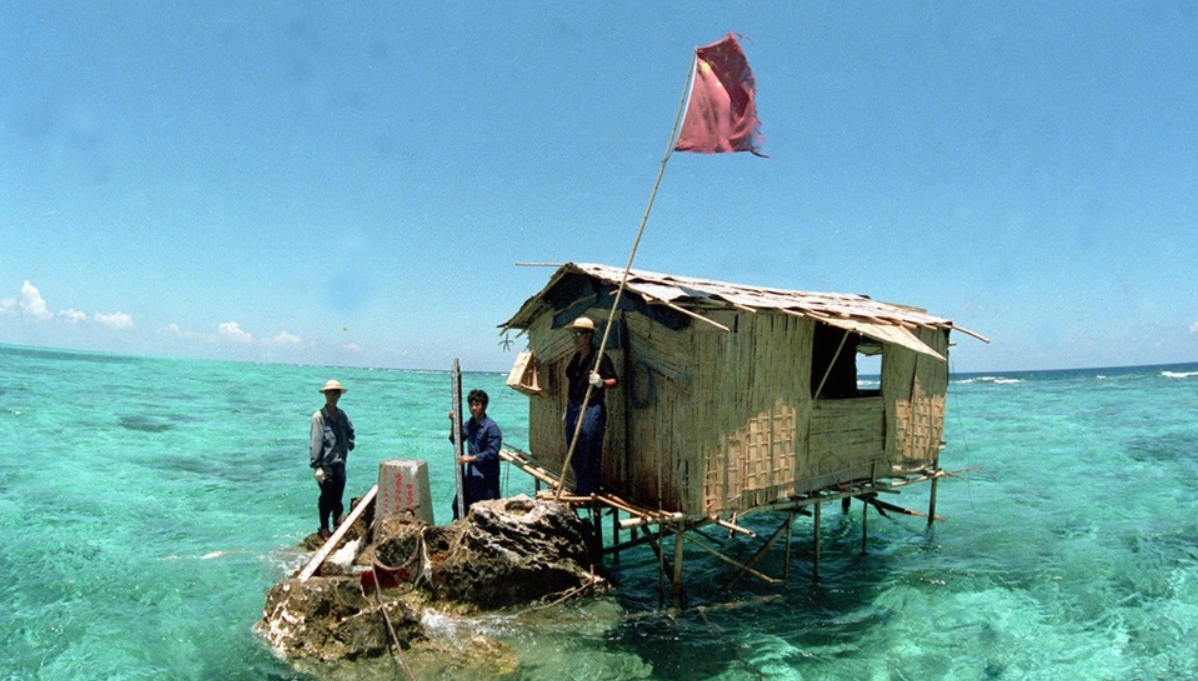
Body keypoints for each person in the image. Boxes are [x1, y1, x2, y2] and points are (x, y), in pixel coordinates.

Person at [563, 317, 617, 495]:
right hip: (574, 406)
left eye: (578, 334)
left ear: (588, 336)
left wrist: (601, 382)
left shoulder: (599, 357)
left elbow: (614, 381)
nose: (575, 338)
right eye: (574, 334)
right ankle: (581, 482)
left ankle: (589, 486)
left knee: (589, 443)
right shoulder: (576, 357)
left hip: (591, 406)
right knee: (572, 443)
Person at [310, 379, 355, 539]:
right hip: (325, 464)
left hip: (340, 463)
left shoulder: (342, 415)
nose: (333, 395)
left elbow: (351, 431)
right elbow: (316, 442)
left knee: (338, 499)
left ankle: (337, 527)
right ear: (325, 394)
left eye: (336, 392)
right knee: (326, 498)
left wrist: (349, 444)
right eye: (330, 392)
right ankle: (323, 528)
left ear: (339, 395)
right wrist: (317, 466)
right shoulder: (319, 417)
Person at [448, 388, 503, 519]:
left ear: (484, 406)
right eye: (471, 405)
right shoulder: (470, 424)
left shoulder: (492, 428)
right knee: (458, 506)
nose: (473, 408)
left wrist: (471, 459)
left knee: (487, 514)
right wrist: (453, 422)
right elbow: (456, 439)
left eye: (477, 405)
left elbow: (492, 453)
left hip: (487, 479)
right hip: (472, 477)